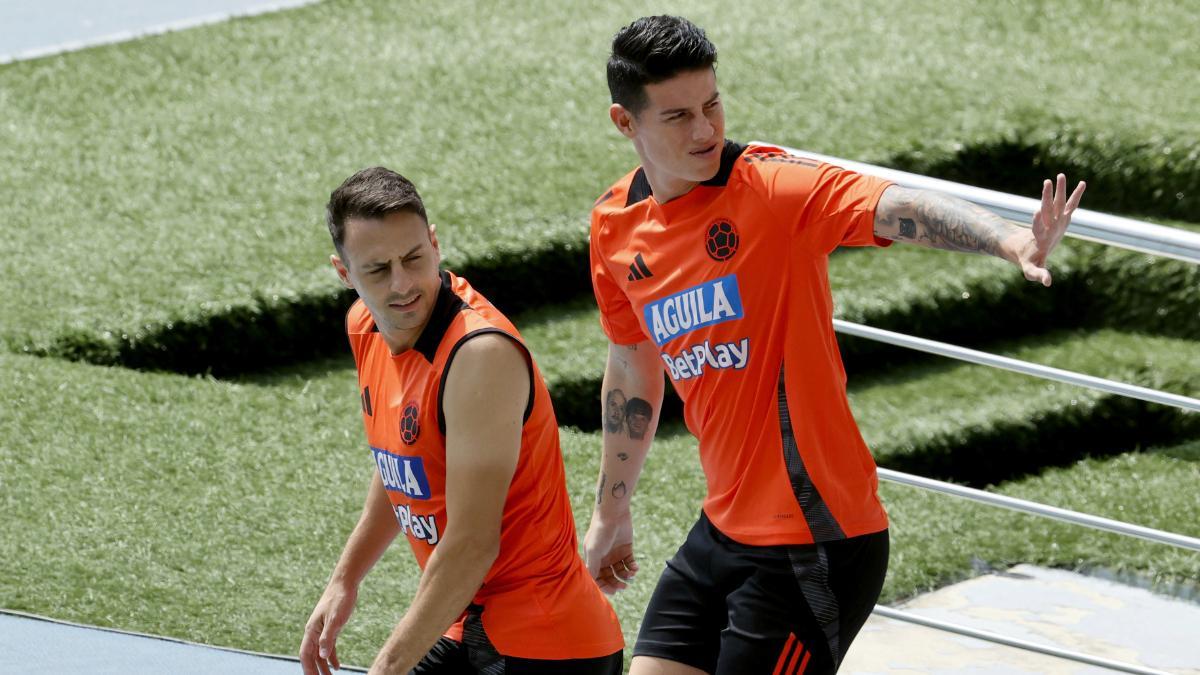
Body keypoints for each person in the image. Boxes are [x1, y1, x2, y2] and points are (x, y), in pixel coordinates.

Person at [583, 15, 1086, 675]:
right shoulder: (615, 227)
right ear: (627, 123)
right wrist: (610, 513)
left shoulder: (774, 190)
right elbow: (630, 365)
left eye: (713, 104)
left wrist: (1009, 240)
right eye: (678, 116)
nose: (707, 130)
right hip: (723, 529)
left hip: (816, 543)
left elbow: (893, 206)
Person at [300, 167, 624, 675]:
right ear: (345, 274)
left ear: (434, 244)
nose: (403, 284)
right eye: (378, 270)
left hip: (547, 644)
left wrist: (387, 667)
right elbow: (404, 462)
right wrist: (345, 579)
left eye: (413, 258)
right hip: (469, 624)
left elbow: (474, 544)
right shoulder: (364, 326)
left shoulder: (479, 356)